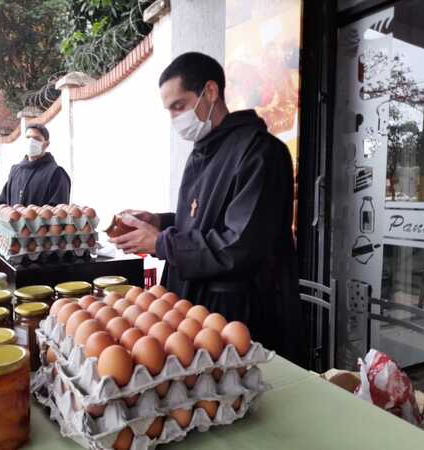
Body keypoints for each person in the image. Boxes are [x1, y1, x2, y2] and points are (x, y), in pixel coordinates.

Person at [110, 52, 303, 365]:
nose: (175, 119)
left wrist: (160, 242)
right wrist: (159, 221)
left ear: (210, 93)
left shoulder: (260, 153)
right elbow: (201, 220)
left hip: (240, 316)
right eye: (169, 110)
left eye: (179, 106)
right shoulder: (203, 152)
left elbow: (238, 245)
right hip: (197, 307)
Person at [0, 124, 71, 206]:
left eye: (36, 138)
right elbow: (2, 204)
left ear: (46, 144)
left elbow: (59, 213)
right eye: (28, 137)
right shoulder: (15, 171)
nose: (31, 142)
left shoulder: (56, 174)